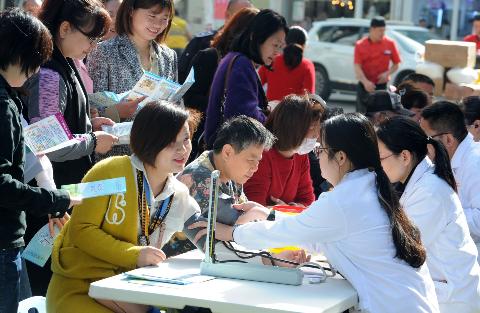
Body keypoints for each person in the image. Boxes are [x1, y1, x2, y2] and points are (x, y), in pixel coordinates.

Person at [46, 104, 304, 313]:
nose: (183, 150)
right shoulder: (110, 171)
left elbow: (211, 247)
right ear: (150, 140)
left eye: (187, 140)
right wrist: (133, 254)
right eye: (172, 142)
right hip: (82, 289)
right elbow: (81, 229)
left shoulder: (179, 194)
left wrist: (271, 260)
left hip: (132, 292)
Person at [201, 113, 440, 313]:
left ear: (341, 157)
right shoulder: (367, 186)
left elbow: (289, 233)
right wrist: (267, 214)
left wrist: (231, 233)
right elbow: (316, 232)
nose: (317, 157)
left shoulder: (345, 200)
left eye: (320, 150)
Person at [22, 0, 118, 296]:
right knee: (47, 284)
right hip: (50, 201)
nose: (93, 45)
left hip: (58, 195)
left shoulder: (63, 63)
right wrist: (91, 141)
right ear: (64, 28)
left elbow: (55, 124)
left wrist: (89, 122)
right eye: (90, 37)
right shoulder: (51, 72)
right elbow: (47, 142)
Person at [0, 9, 78, 313]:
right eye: (36, 60)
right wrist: (54, 199)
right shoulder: (4, 106)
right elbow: (3, 184)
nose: (35, 72)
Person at [376, 116, 480, 312]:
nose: (378, 166)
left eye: (381, 158)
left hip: (452, 299)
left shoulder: (430, 191)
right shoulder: (419, 182)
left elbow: (399, 248)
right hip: (441, 289)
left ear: (405, 156)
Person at [87, 0, 177, 156]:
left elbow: (174, 101)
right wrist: (116, 111)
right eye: (152, 16)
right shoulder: (103, 51)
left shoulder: (168, 56)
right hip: (117, 154)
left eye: (164, 18)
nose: (158, 24)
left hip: (157, 151)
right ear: (131, 11)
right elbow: (90, 106)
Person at [183, 7, 259, 159]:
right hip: (203, 142)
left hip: (235, 145)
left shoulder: (248, 65)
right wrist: (219, 104)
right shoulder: (209, 57)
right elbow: (188, 97)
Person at [204, 9, 288, 148]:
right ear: (256, 37)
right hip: (230, 153)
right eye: (275, 45)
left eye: (280, 47)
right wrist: (273, 116)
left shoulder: (236, 59)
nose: (277, 52)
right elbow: (245, 117)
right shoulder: (241, 64)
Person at [243, 95, 323, 207]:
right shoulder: (262, 155)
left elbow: (308, 200)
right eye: (312, 127)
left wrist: (289, 208)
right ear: (293, 129)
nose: (317, 134)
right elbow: (254, 206)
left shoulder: (300, 155)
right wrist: (286, 210)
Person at [420, 101, 480, 247]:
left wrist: (439, 211)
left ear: (448, 139)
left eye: (426, 139)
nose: (421, 146)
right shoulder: (451, 156)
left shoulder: (475, 162)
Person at [177, 0, 253, 83]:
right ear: (228, 15)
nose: (247, 23)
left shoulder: (252, 46)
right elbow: (182, 77)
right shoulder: (202, 42)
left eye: (251, 18)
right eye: (243, 17)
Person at [354, 16, 401, 113]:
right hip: (364, 86)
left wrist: (387, 74)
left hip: (381, 86)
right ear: (372, 29)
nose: (382, 33)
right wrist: (365, 82)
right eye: (380, 30)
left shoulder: (390, 43)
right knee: (362, 116)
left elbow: (396, 64)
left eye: (384, 30)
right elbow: (357, 66)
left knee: (380, 115)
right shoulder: (360, 45)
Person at [258, 26, 315, 102]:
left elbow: (254, 85)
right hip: (296, 113)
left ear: (285, 42)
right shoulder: (307, 65)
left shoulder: (271, 60)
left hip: (271, 112)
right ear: (304, 45)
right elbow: (309, 97)